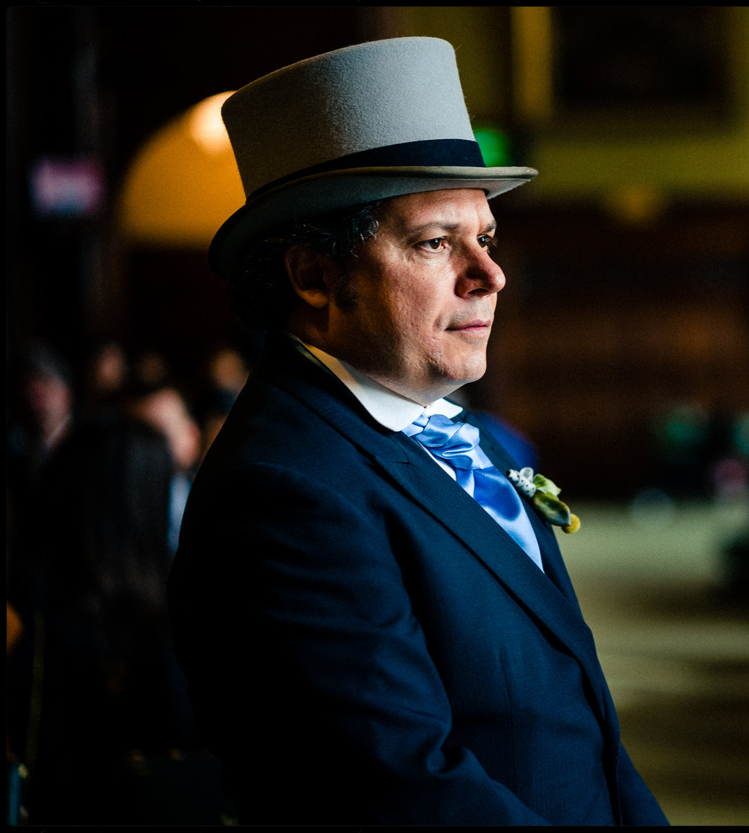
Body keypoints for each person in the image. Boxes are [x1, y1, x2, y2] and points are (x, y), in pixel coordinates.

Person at [167, 38, 668, 825]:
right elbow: (405, 788)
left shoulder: (453, 427)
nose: (489, 272)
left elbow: (581, 718)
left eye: (487, 238)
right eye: (437, 242)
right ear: (315, 275)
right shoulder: (285, 491)